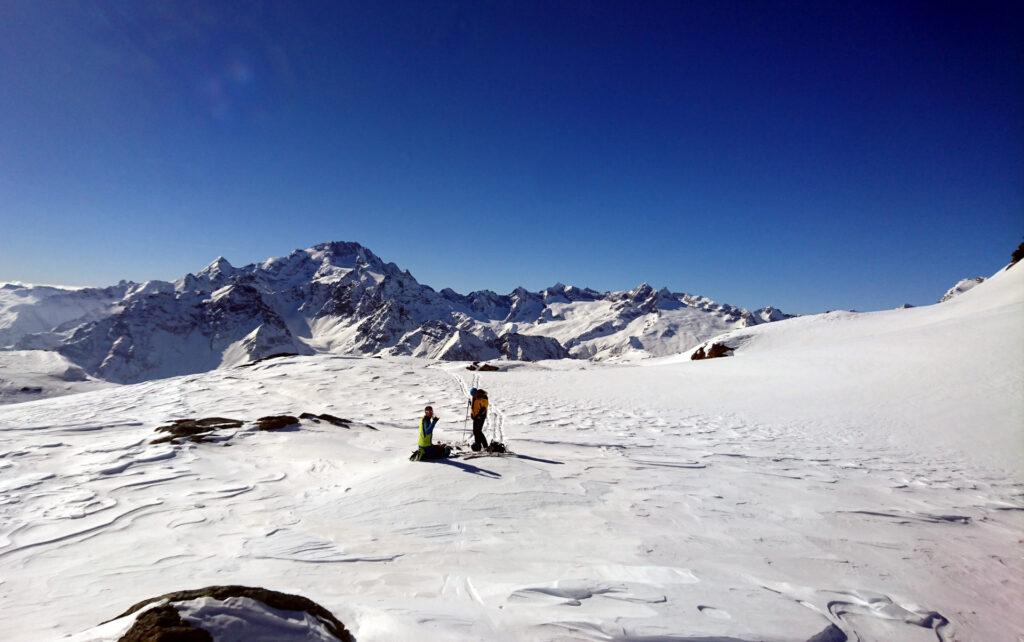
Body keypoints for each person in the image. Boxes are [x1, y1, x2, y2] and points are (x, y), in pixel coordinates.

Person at [469, 388, 489, 452]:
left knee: (478, 431)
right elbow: (474, 407)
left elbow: (484, 407)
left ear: (477, 393)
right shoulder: (474, 397)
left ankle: (485, 446)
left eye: (474, 394)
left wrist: (479, 415)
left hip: (481, 416)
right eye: (472, 395)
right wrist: (472, 414)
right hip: (475, 416)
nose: (473, 396)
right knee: (475, 431)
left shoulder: (483, 397)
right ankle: (478, 445)